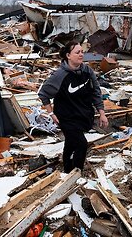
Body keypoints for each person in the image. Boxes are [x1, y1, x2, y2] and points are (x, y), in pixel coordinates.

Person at [38, 41, 109, 173]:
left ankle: (67, 171)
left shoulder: (87, 71)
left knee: (70, 144)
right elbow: (43, 94)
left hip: (83, 115)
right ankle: (76, 174)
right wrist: (51, 114)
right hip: (66, 117)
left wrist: (102, 113)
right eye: (77, 52)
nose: (81, 54)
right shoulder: (59, 75)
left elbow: (96, 92)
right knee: (81, 144)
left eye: (82, 51)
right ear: (68, 55)